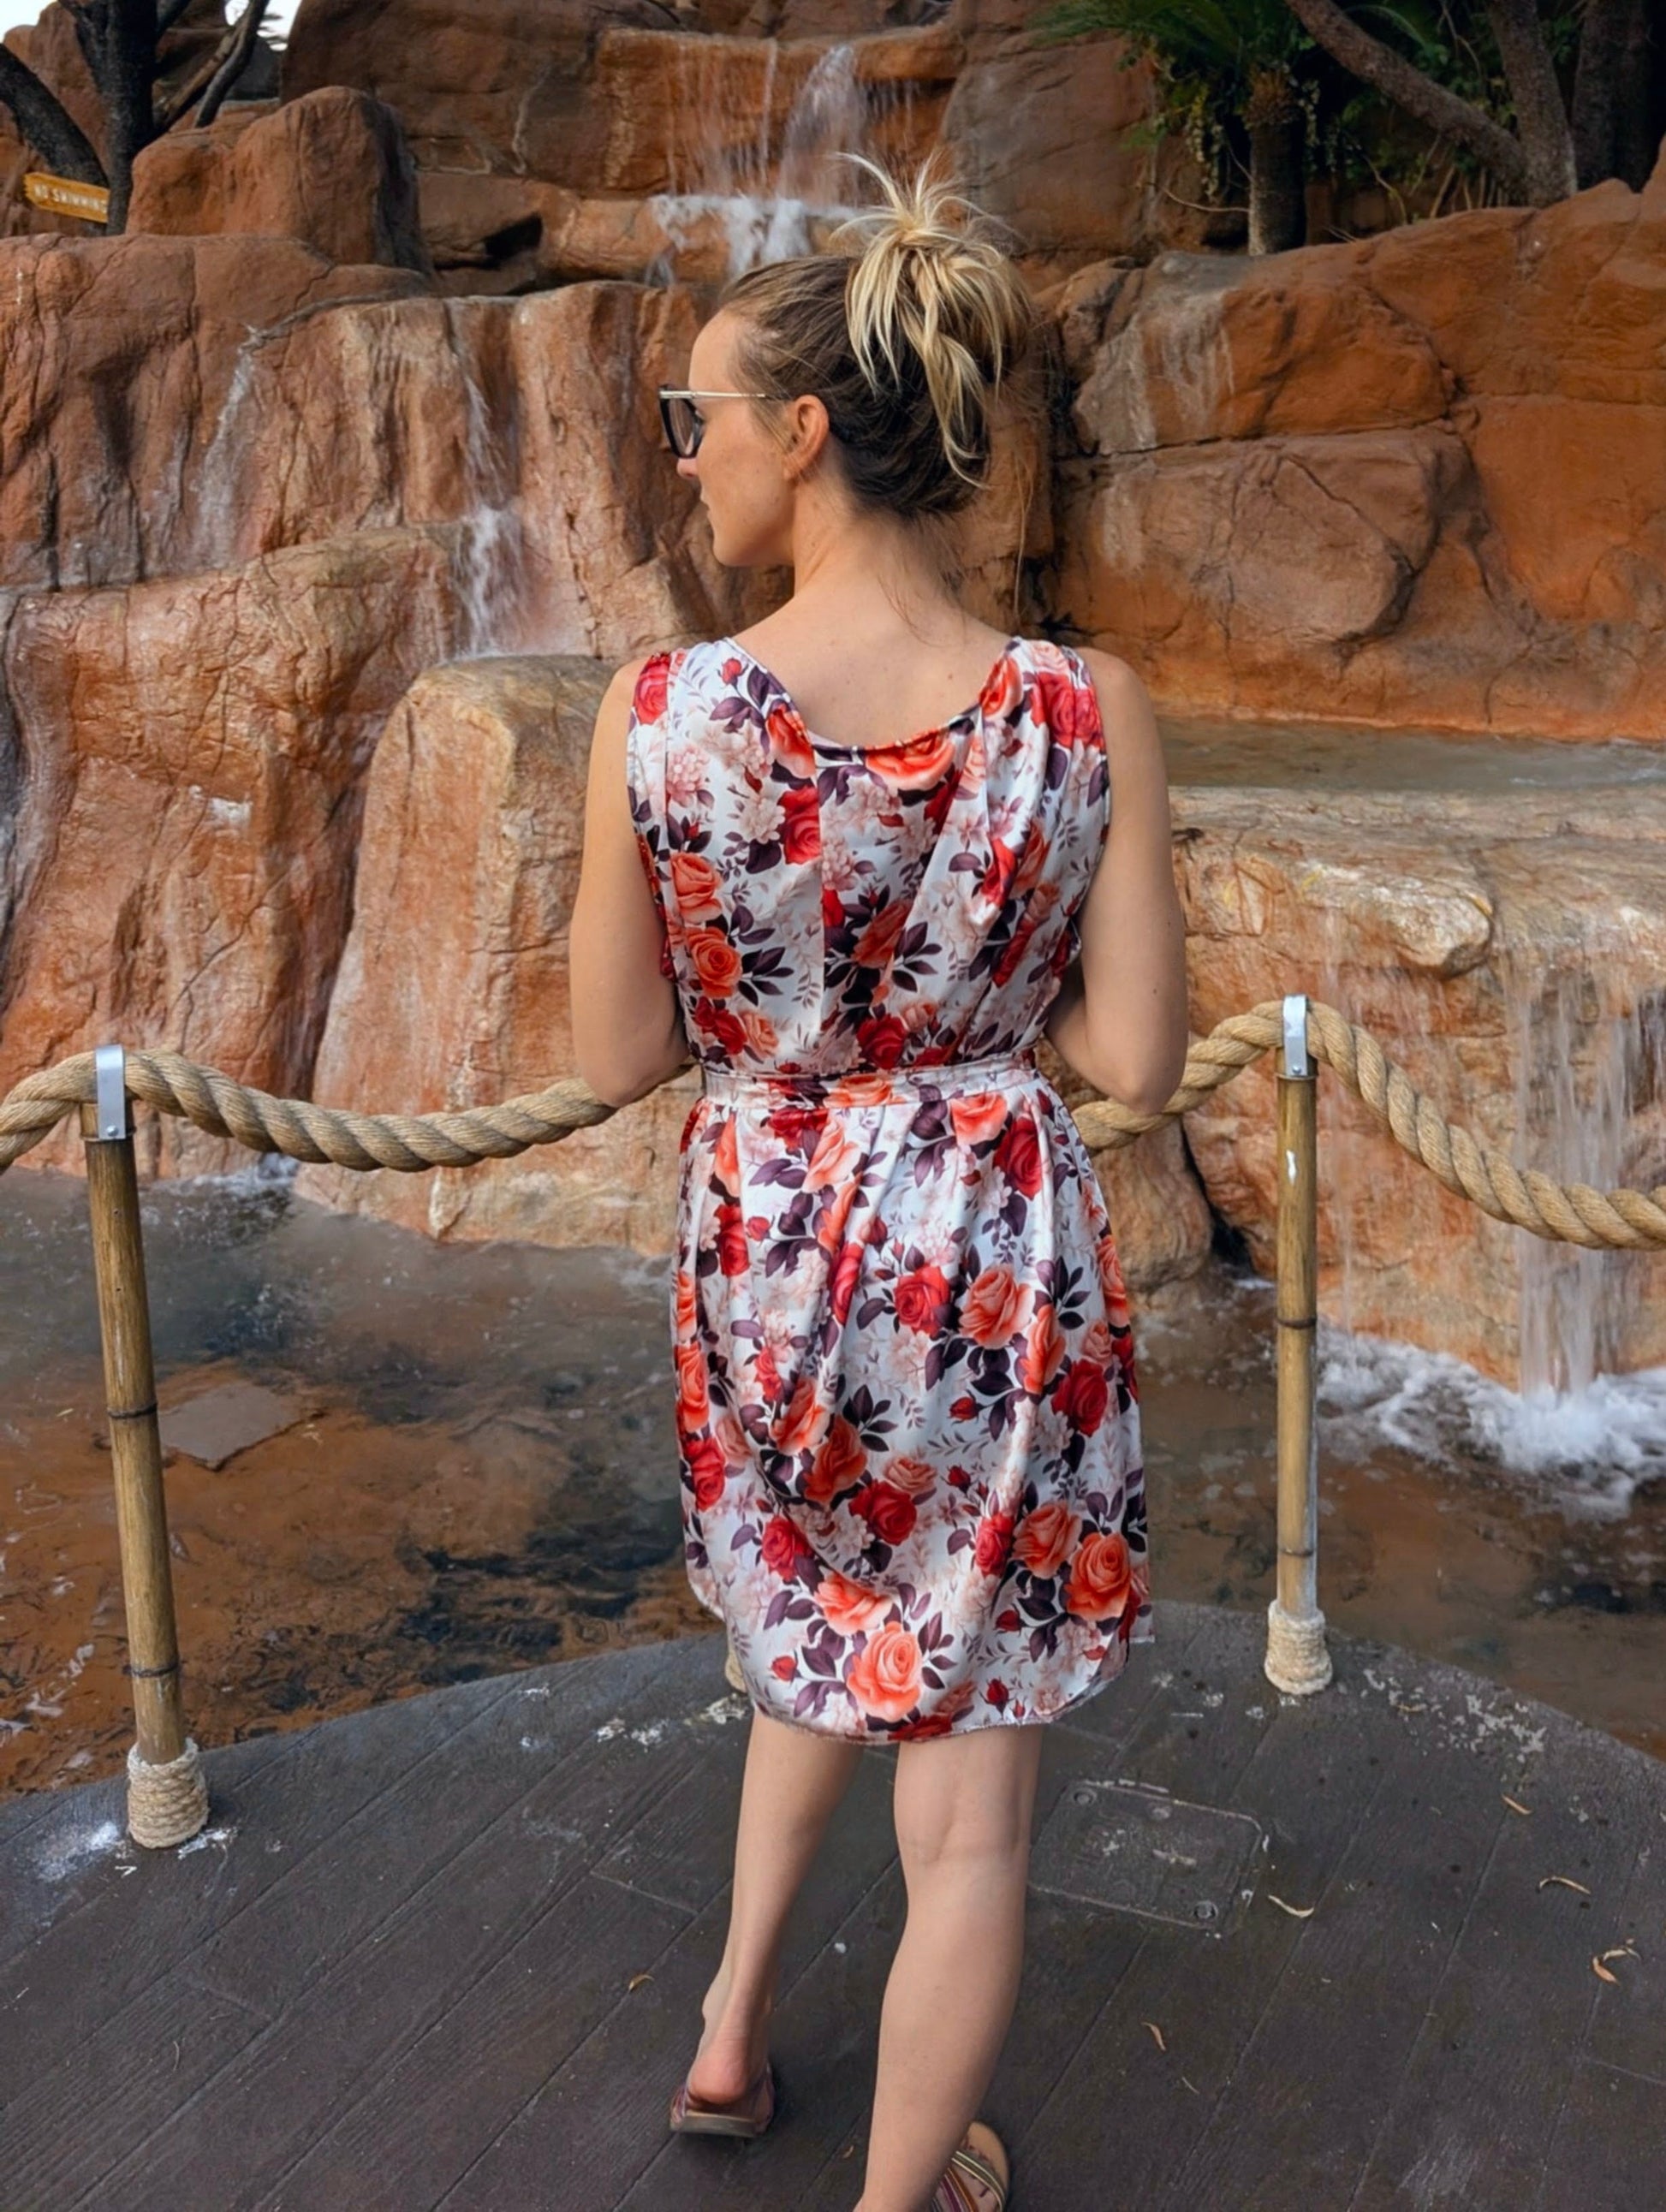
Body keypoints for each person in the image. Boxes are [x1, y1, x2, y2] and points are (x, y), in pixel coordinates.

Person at [569, 154, 1189, 2212]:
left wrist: (795, 1031)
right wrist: (967, 1024)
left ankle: (732, 2030)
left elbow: (612, 1052)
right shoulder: (1080, 706)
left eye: (696, 418)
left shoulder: (659, 716)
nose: (682, 462)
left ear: (803, 430)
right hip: (991, 1263)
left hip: (766, 1257)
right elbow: (1134, 1057)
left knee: (813, 1628)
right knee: (973, 1819)